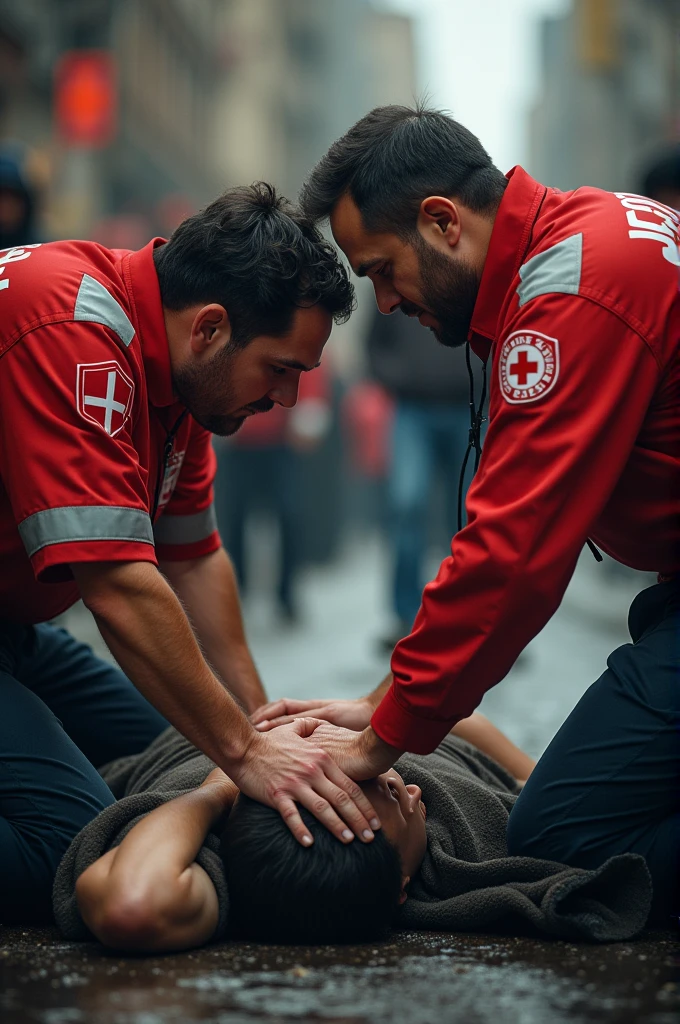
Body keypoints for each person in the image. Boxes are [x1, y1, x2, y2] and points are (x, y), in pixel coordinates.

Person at [252, 105, 680, 925]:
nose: (380, 302)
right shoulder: (583, 237)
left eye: (380, 269)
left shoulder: (569, 293)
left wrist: (376, 744)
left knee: (567, 831)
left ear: (442, 222)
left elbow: (509, 560)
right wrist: (387, 706)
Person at [0, 183, 382, 925]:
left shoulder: (183, 376)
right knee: (62, 841)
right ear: (210, 328)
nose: (290, 401)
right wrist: (245, 754)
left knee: (175, 763)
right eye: (281, 370)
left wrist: (260, 729)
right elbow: (117, 584)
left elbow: (194, 559)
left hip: (16, 636)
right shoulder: (72, 325)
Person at [69, 712, 537, 951]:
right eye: (396, 795)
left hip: (214, 732)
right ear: (401, 887)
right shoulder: (476, 838)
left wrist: (217, 789)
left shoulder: (228, 854)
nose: (414, 789)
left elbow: (129, 903)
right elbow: (461, 722)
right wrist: (378, 721)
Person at [366, 307, 476, 649]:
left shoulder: (468, 266)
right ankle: (406, 617)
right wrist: (398, 378)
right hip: (412, 407)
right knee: (407, 503)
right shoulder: (395, 271)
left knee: (472, 514)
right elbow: (373, 344)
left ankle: (476, 619)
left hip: (469, 407)